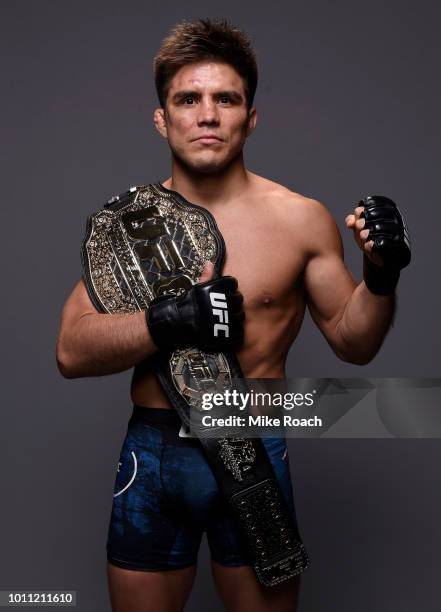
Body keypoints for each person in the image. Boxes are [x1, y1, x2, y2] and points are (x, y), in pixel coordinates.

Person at [56, 19, 410, 612]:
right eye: (187, 99)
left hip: (251, 441)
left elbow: (355, 343)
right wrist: (167, 320)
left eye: (227, 99)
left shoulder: (300, 219)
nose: (208, 114)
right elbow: (71, 351)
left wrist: (381, 276)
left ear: (251, 116)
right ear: (162, 118)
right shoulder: (131, 228)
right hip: (155, 451)